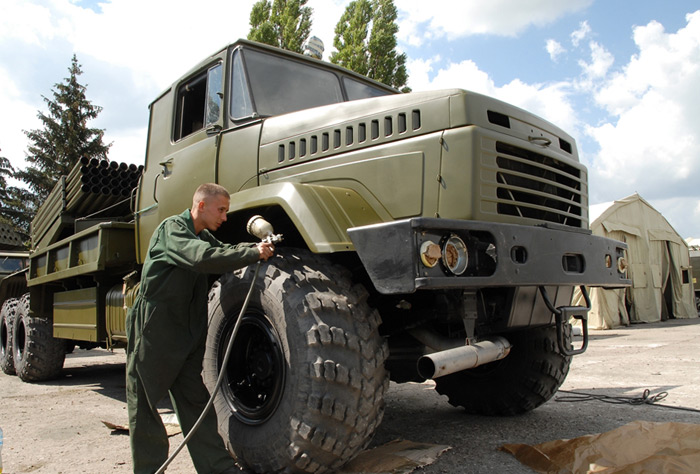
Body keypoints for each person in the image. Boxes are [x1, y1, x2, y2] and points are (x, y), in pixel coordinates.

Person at [126, 183, 274, 474]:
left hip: (188, 331)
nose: (225, 217)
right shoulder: (172, 230)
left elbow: (223, 250)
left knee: (195, 402)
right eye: (221, 210)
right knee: (143, 403)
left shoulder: (201, 235)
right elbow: (201, 257)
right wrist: (253, 253)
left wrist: (255, 249)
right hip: (156, 330)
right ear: (201, 205)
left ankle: (218, 468)